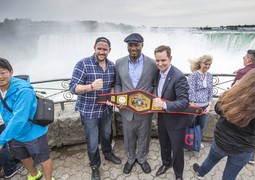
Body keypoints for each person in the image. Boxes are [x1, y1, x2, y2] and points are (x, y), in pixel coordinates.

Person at [192, 68, 255, 180]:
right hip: (243, 148)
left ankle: (200, 173)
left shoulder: (231, 96)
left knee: (210, 160)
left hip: (221, 141)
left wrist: (233, 92)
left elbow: (218, 109)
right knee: (230, 176)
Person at [69, 37, 121, 180]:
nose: (101, 51)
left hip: (106, 110)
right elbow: (73, 88)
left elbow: (112, 86)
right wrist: (91, 86)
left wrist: (112, 94)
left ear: (109, 50)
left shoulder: (111, 66)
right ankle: (95, 166)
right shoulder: (83, 64)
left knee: (106, 135)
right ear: (94, 48)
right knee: (92, 141)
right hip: (89, 111)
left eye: (105, 49)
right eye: (99, 48)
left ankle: (108, 153)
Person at [0, 58, 54, 180]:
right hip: (14, 133)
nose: (0, 76)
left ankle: (49, 178)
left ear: (11, 72)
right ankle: (35, 175)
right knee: (23, 156)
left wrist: (1, 140)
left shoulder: (23, 91)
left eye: (2, 72)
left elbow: (19, 119)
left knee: (43, 158)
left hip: (33, 132)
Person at [114, 33, 158, 174]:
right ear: (127, 46)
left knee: (144, 136)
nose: (133, 48)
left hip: (145, 111)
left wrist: (153, 102)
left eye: (136, 45)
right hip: (127, 110)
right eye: (130, 45)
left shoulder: (152, 63)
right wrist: (119, 97)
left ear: (142, 45)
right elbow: (117, 83)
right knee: (129, 136)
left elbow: (156, 85)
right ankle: (131, 159)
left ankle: (142, 159)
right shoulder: (119, 62)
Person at [153, 45, 189, 180]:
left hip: (176, 121)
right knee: (164, 144)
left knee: (177, 149)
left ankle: (178, 175)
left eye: (163, 60)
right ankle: (165, 163)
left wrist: (164, 105)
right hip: (162, 117)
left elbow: (184, 102)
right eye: (157, 60)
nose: (160, 63)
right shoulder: (157, 73)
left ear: (170, 58)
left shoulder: (179, 76)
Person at [187, 55, 213, 149]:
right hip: (195, 105)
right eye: (205, 64)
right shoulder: (194, 75)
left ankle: (197, 140)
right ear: (200, 63)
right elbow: (191, 90)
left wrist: (209, 105)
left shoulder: (210, 75)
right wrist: (192, 105)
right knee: (191, 125)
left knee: (201, 125)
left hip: (205, 105)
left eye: (209, 64)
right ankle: (188, 142)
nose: (207, 66)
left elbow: (210, 90)